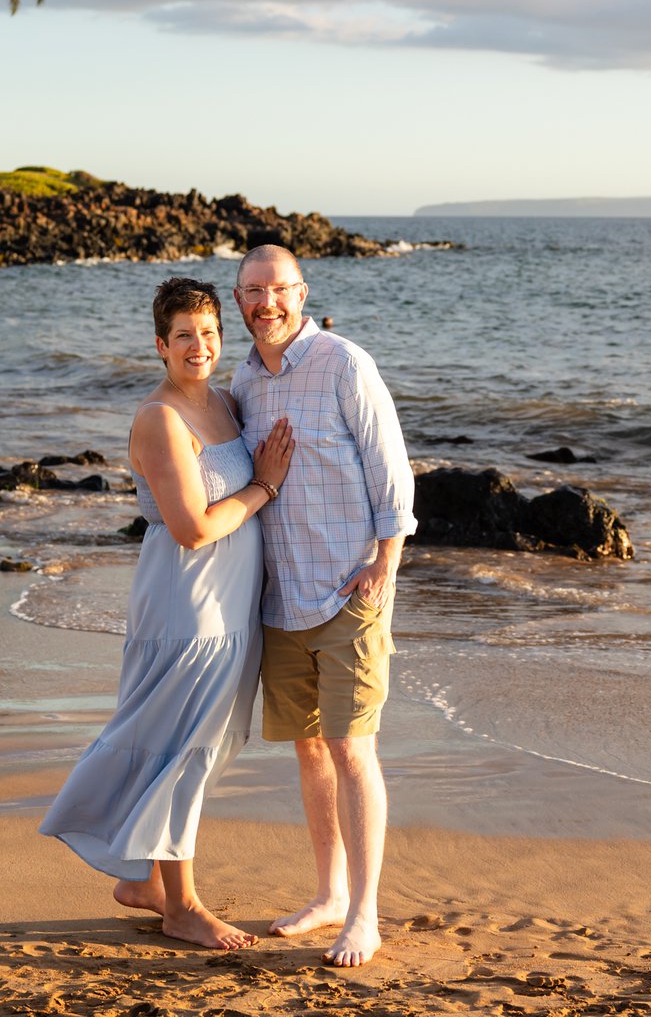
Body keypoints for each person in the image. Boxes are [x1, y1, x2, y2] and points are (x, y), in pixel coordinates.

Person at [39, 277, 294, 950]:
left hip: (231, 600)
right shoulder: (160, 420)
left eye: (210, 333)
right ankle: (181, 906)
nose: (200, 346)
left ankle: (145, 882)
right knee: (183, 745)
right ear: (160, 344)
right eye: (185, 335)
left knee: (198, 743)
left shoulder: (227, 403)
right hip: (188, 603)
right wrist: (267, 484)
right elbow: (191, 527)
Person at [230, 245, 415, 967]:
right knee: (309, 748)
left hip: (350, 587)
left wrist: (385, 563)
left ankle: (364, 913)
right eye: (253, 290)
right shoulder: (242, 379)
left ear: (302, 294)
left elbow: (389, 465)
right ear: (238, 297)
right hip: (281, 596)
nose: (266, 302)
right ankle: (329, 894)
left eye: (279, 289)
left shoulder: (343, 362)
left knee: (350, 746)